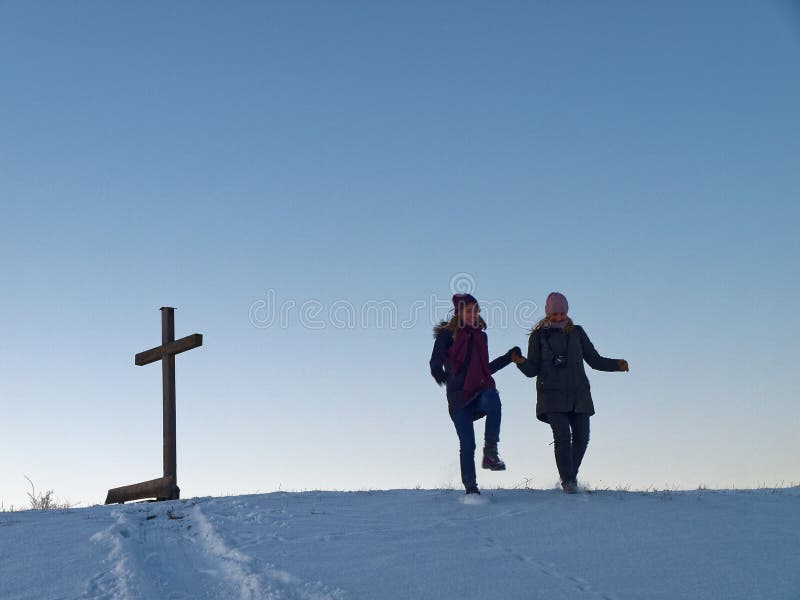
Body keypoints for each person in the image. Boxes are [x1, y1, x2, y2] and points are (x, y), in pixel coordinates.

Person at [511, 292, 628, 494]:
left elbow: (594, 360)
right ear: (548, 313)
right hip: (551, 396)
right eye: (554, 313)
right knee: (563, 436)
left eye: (562, 313)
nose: (559, 317)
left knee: (582, 438)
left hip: (579, 395)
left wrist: (616, 365)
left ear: (567, 311)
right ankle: (568, 482)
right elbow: (532, 370)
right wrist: (520, 362)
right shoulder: (538, 337)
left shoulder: (577, 332)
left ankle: (570, 476)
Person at [429, 293, 520, 495]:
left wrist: (508, 358)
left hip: (477, 393)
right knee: (468, 444)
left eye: (476, 310)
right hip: (458, 398)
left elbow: (484, 370)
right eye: (468, 311)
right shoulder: (448, 335)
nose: (473, 314)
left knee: (493, 397)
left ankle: (490, 452)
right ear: (459, 312)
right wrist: (440, 373)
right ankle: (471, 489)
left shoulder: (481, 336)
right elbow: (435, 360)